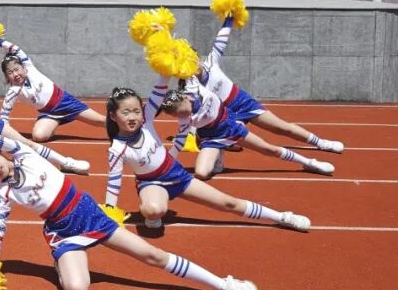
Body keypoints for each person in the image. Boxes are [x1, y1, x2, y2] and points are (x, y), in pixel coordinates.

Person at [0, 130, 258, 290]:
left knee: (153, 256)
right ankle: (63, 261)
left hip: (90, 215)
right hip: (63, 231)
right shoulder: (5, 194)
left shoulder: (23, 152)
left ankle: (223, 284)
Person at [106, 83, 310, 233]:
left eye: (136, 111)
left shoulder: (146, 121)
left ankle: (281, 216)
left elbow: (160, 87)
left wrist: (164, 57)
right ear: (113, 116)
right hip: (151, 183)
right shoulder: (117, 148)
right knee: (153, 210)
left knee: (228, 203)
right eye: (125, 112)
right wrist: (110, 211)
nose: (132, 117)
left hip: (178, 175)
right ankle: (153, 214)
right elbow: (114, 183)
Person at [200, 12, 343, 153]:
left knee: (281, 127)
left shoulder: (211, 62)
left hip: (243, 102)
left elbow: (221, 39)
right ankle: (223, 152)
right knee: (219, 137)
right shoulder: (192, 85)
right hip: (225, 113)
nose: (196, 63)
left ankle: (321, 142)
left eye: (195, 59)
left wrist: (229, 18)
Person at [161, 78, 334, 180]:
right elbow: (179, 143)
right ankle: (220, 151)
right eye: (177, 116)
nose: (183, 116)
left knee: (269, 149)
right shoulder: (183, 120)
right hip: (210, 138)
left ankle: (309, 163)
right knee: (201, 173)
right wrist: (166, 164)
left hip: (230, 127)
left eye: (182, 112)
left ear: (186, 98)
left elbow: (182, 61)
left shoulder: (195, 86)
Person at [0, 36, 106, 142]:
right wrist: (6, 134)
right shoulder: (13, 91)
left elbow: (15, 49)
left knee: (100, 121)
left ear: (23, 68)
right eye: (10, 72)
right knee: (38, 137)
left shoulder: (29, 67)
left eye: (17, 69)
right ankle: (54, 123)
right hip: (48, 113)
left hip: (65, 102)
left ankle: (118, 131)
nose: (15, 74)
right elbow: (4, 114)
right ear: (6, 76)